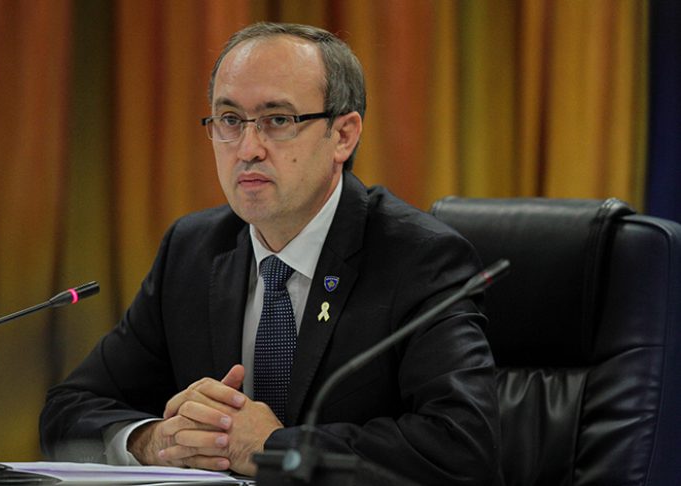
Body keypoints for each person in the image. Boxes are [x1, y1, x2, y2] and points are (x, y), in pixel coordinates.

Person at [39, 22, 502, 485]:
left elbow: (463, 447)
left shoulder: (419, 259)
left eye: (278, 120)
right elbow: (70, 408)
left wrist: (274, 449)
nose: (248, 149)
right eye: (229, 119)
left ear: (343, 135)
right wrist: (154, 440)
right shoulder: (192, 251)